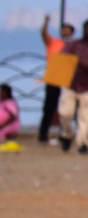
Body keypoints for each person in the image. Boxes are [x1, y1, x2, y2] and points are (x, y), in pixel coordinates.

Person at [40, 15, 75, 143]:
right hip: (53, 79)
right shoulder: (53, 42)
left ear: (72, 32)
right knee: (48, 107)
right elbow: (43, 34)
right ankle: (43, 134)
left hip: (68, 80)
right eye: (63, 29)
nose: (64, 31)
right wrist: (46, 22)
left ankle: (65, 134)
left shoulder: (74, 46)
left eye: (67, 29)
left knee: (67, 109)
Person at [58, 20, 88, 154]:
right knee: (65, 113)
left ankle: (82, 143)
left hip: (86, 88)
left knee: (85, 118)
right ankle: (66, 135)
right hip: (70, 85)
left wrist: (80, 63)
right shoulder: (74, 45)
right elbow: (61, 59)